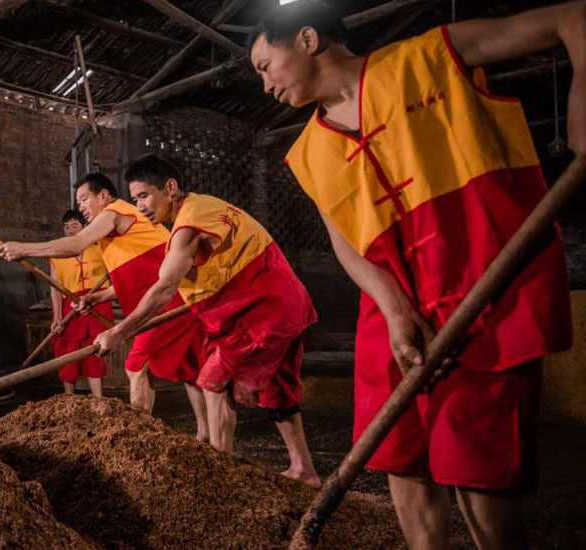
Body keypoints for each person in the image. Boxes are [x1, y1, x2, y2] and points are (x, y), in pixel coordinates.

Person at [249, 1, 581, 546]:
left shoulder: (430, 56)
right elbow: (346, 243)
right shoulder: (307, 152)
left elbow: (573, 19)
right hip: (390, 317)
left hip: (481, 301)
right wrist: (394, 308)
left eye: (264, 66)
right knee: (402, 467)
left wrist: (582, 92)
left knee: (482, 481)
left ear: (307, 39)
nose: (264, 86)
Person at [95, 153, 320, 487]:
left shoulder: (187, 226)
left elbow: (163, 288)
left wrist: (118, 331)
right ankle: (304, 470)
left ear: (170, 188)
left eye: (143, 196)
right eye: (134, 199)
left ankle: (220, 476)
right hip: (289, 304)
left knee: (211, 382)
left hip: (261, 312)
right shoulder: (205, 206)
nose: (139, 206)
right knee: (280, 391)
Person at [0, 174, 209, 441]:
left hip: (164, 301)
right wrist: (98, 296)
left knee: (136, 366)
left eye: (85, 199)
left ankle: (139, 435)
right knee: (188, 369)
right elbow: (137, 277)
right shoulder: (119, 228)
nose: (82, 206)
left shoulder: (113, 212)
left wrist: (23, 248)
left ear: (104, 196)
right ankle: (204, 434)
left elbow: (75, 246)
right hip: (164, 300)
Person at [48, 210, 114, 397]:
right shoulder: (57, 255)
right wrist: (58, 316)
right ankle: (69, 399)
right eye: (66, 226)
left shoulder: (100, 249)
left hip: (97, 304)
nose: (69, 230)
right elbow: (55, 287)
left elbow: (115, 274)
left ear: (85, 227)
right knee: (68, 351)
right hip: (71, 306)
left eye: (74, 225)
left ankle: (98, 399)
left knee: (95, 350)